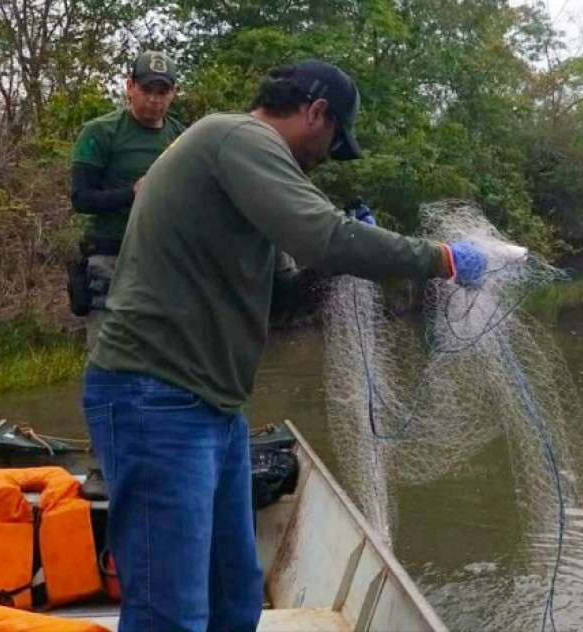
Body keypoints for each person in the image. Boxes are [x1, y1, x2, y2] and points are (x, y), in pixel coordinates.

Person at [81, 60, 486, 631]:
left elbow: (283, 300)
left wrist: (339, 267)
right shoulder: (236, 136)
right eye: (332, 142)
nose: (326, 158)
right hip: (154, 395)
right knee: (169, 612)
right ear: (316, 112)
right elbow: (320, 236)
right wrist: (439, 260)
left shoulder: (249, 177)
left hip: (213, 407)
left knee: (234, 599)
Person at [69, 51, 184, 349]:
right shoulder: (101, 132)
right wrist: (132, 193)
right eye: (146, 90)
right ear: (130, 87)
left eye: (163, 91)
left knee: (163, 354)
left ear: (174, 93)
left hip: (162, 259)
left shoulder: (181, 137)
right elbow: (81, 198)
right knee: (107, 352)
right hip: (111, 257)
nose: (154, 100)